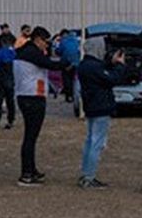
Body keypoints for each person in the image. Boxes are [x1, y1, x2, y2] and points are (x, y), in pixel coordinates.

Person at [13, 26, 69, 186]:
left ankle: (31, 169)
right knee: (30, 137)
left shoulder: (24, 51)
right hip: (32, 97)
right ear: (38, 39)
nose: (47, 45)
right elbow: (52, 65)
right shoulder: (32, 53)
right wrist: (66, 60)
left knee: (31, 136)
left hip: (26, 95)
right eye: (45, 41)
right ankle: (26, 174)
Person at [77, 38, 129, 188]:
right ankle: (89, 176)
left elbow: (102, 73)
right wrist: (120, 65)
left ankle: (86, 173)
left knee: (90, 141)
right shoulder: (94, 67)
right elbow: (113, 79)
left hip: (91, 107)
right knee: (97, 143)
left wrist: (112, 63)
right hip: (101, 107)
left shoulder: (85, 65)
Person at [0, 32, 18, 130]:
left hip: (0, 81)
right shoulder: (14, 53)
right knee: (10, 102)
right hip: (11, 80)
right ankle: (11, 121)